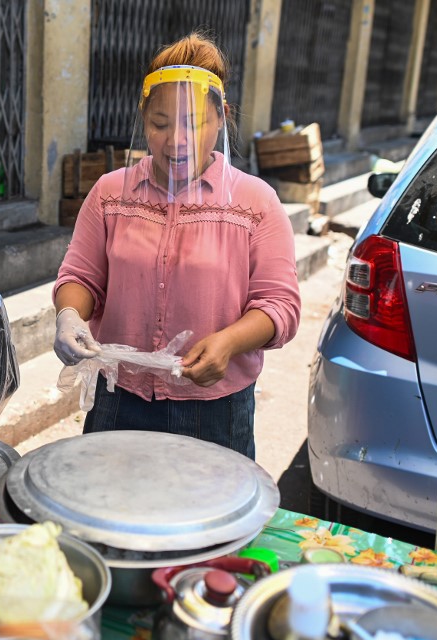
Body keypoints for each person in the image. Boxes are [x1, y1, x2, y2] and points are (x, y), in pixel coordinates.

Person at [52, 32, 301, 459]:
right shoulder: (111, 194)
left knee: (207, 522)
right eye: (160, 124)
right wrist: (69, 314)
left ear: (221, 118)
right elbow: (80, 277)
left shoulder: (254, 202)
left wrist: (228, 342)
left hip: (214, 410)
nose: (175, 141)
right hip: (118, 397)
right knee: (112, 513)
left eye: (192, 124)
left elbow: (280, 305)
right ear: (143, 120)